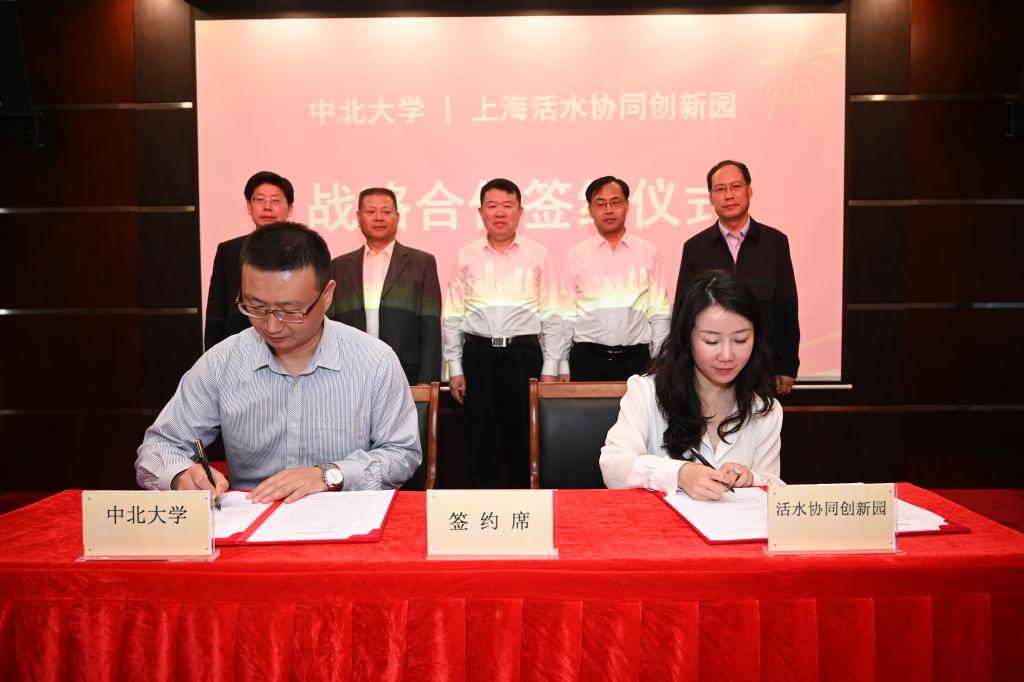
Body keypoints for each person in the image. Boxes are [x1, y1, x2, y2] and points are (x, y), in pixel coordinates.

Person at [137, 222, 421, 502]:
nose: (271, 326)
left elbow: (402, 453)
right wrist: (181, 475)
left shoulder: (374, 361)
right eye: (255, 306)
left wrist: (330, 475)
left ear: (327, 295)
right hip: (249, 517)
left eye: (290, 310)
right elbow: (158, 447)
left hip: (342, 519)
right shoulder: (221, 363)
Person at [600, 270, 783, 500]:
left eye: (740, 340)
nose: (727, 355)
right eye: (711, 341)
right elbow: (613, 465)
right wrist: (679, 474)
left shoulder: (765, 410)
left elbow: (775, 491)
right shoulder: (646, 392)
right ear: (687, 337)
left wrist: (752, 479)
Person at [443, 178, 561, 488]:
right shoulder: (466, 256)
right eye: (492, 206)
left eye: (508, 206)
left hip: (525, 355)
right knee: (481, 440)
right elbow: (452, 315)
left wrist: (551, 368)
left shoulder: (538, 255)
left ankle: (526, 507)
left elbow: (552, 315)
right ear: (480, 212)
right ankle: (484, 507)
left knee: (526, 439)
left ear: (520, 211)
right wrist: (455, 367)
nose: (500, 213)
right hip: (478, 355)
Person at [676, 160, 799, 395]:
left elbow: (787, 307)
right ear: (711, 197)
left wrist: (787, 364)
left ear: (749, 190)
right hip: (709, 370)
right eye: (720, 189)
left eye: (736, 186)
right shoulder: (695, 247)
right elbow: (684, 313)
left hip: (763, 366)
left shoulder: (775, 243)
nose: (729, 195)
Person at [559, 176, 670, 381]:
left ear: (627, 206)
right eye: (600, 204)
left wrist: (660, 361)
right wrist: (562, 363)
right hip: (586, 359)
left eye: (615, 202)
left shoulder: (648, 252)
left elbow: (659, 313)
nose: (609, 210)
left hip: (636, 359)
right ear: (590, 210)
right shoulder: (576, 255)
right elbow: (567, 316)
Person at [328, 187, 442, 385]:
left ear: (398, 217)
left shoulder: (422, 263)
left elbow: (431, 326)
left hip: (406, 373)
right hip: (350, 372)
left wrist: (428, 382)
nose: (379, 218)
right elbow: (329, 325)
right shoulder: (338, 266)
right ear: (358, 217)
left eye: (386, 212)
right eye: (371, 211)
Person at [204, 171, 295, 350]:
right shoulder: (228, 251)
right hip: (238, 348)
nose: (267, 207)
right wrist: (212, 355)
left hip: (288, 347)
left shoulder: (304, 251)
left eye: (275, 201)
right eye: (259, 200)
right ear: (249, 206)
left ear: (290, 208)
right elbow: (216, 313)